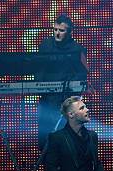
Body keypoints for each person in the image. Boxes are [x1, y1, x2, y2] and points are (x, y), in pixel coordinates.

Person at [36, 14, 89, 150]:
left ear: (70, 32)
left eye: (61, 30)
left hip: (67, 101)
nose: (57, 33)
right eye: (55, 30)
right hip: (47, 99)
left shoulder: (77, 49)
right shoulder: (45, 45)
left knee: (67, 141)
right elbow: (39, 69)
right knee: (46, 140)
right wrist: (38, 85)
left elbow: (82, 74)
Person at [44, 96, 104, 171]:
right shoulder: (57, 138)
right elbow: (50, 168)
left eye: (85, 107)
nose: (87, 110)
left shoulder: (92, 136)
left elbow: (96, 163)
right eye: (82, 108)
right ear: (71, 114)